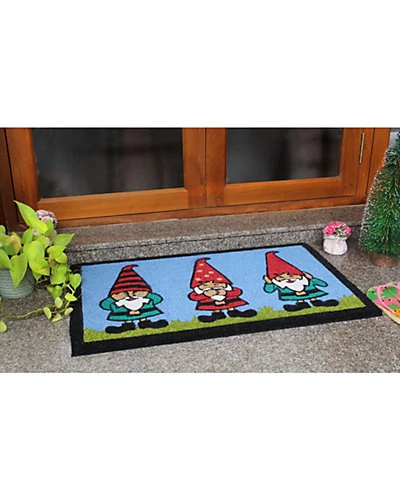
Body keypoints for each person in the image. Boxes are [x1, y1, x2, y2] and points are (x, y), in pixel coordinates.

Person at [100, 264, 168, 333]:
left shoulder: (143, 298)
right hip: (124, 315)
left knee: (144, 318)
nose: (130, 295)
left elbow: (157, 299)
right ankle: (128, 325)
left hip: (144, 312)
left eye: (134, 292)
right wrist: (113, 298)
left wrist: (147, 294)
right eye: (126, 293)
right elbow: (105, 305)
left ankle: (144, 323)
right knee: (126, 320)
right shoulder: (120, 301)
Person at [263, 251, 339, 312]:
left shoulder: (305, 280)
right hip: (292, 295)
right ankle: (301, 304)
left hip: (311, 293)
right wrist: (269, 283)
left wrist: (311, 278)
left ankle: (317, 302)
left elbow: (323, 284)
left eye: (291, 275)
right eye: (281, 278)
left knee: (314, 299)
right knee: (300, 302)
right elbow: (269, 290)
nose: (288, 279)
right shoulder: (280, 285)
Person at [188, 258, 257, 323]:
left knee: (231, 304)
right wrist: (205, 295)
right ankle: (217, 314)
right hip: (210, 303)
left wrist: (226, 293)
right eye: (206, 284)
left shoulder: (225, 288)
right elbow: (193, 296)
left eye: (215, 283)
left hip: (229, 301)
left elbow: (238, 292)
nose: (212, 285)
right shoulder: (201, 291)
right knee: (215, 308)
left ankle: (233, 312)